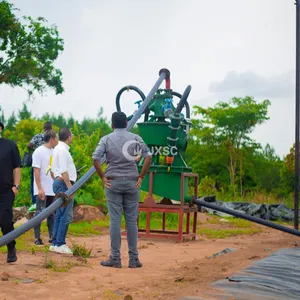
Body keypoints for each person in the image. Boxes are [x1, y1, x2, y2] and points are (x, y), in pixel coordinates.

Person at [92, 111, 152, 268]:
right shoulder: (135, 138)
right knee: (132, 221)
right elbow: (148, 156)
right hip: (133, 182)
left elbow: (95, 158)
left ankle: (115, 258)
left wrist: (103, 177)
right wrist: (141, 177)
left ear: (112, 125)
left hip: (113, 183)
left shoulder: (106, 139)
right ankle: (134, 259)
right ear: (126, 124)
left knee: (115, 221)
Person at [49, 128, 76, 254]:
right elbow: (64, 171)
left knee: (59, 214)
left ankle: (55, 243)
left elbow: (53, 170)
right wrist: (70, 188)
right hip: (64, 185)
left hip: (59, 183)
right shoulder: (63, 151)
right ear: (69, 137)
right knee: (66, 215)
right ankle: (60, 243)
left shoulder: (57, 149)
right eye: (72, 135)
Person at [32, 129, 58, 246]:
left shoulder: (54, 151)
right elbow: (36, 170)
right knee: (39, 213)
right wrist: (39, 188)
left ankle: (51, 236)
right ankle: (37, 238)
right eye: (56, 138)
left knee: (51, 214)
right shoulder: (38, 151)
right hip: (42, 188)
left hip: (52, 188)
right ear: (51, 139)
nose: (57, 140)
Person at [0, 121, 21, 263]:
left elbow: (17, 167)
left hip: (6, 190)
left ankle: (11, 246)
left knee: (5, 220)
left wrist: (16, 186)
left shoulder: (10, 145)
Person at [27, 121, 53, 208]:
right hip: (48, 162)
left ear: (44, 128)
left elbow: (29, 145)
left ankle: (35, 202)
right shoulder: (51, 137)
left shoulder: (38, 136)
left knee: (34, 181)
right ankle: (49, 202)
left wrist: (34, 148)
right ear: (51, 128)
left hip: (36, 161)